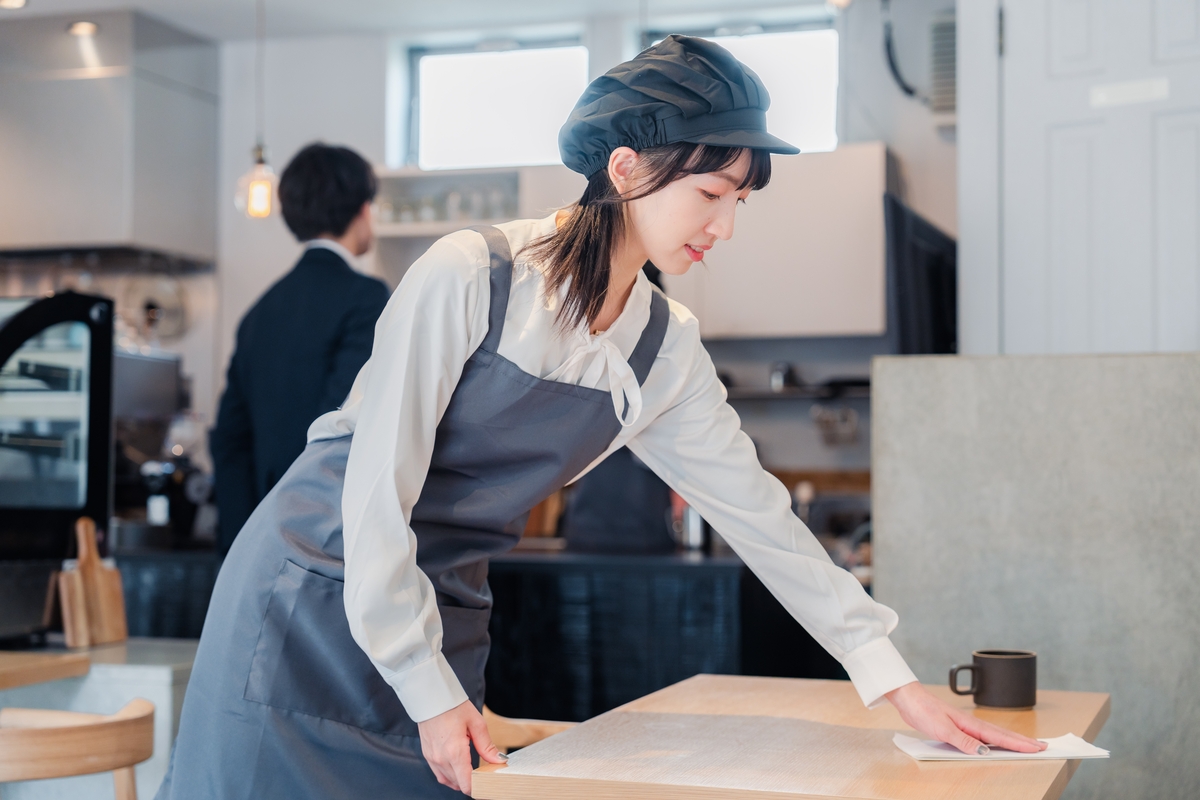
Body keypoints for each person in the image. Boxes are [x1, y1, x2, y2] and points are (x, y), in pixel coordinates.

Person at [160, 36, 1044, 800]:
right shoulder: (471, 273)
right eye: (711, 194)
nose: (726, 227)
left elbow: (765, 525)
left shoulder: (664, 348)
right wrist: (428, 692)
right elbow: (373, 496)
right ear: (626, 169)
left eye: (741, 199)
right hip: (310, 594)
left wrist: (895, 683)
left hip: (440, 613)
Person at [209, 143, 389, 556]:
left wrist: (241, 544)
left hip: (261, 539)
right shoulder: (367, 298)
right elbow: (347, 424)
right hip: (328, 536)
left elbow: (229, 440)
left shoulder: (260, 311)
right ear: (363, 210)